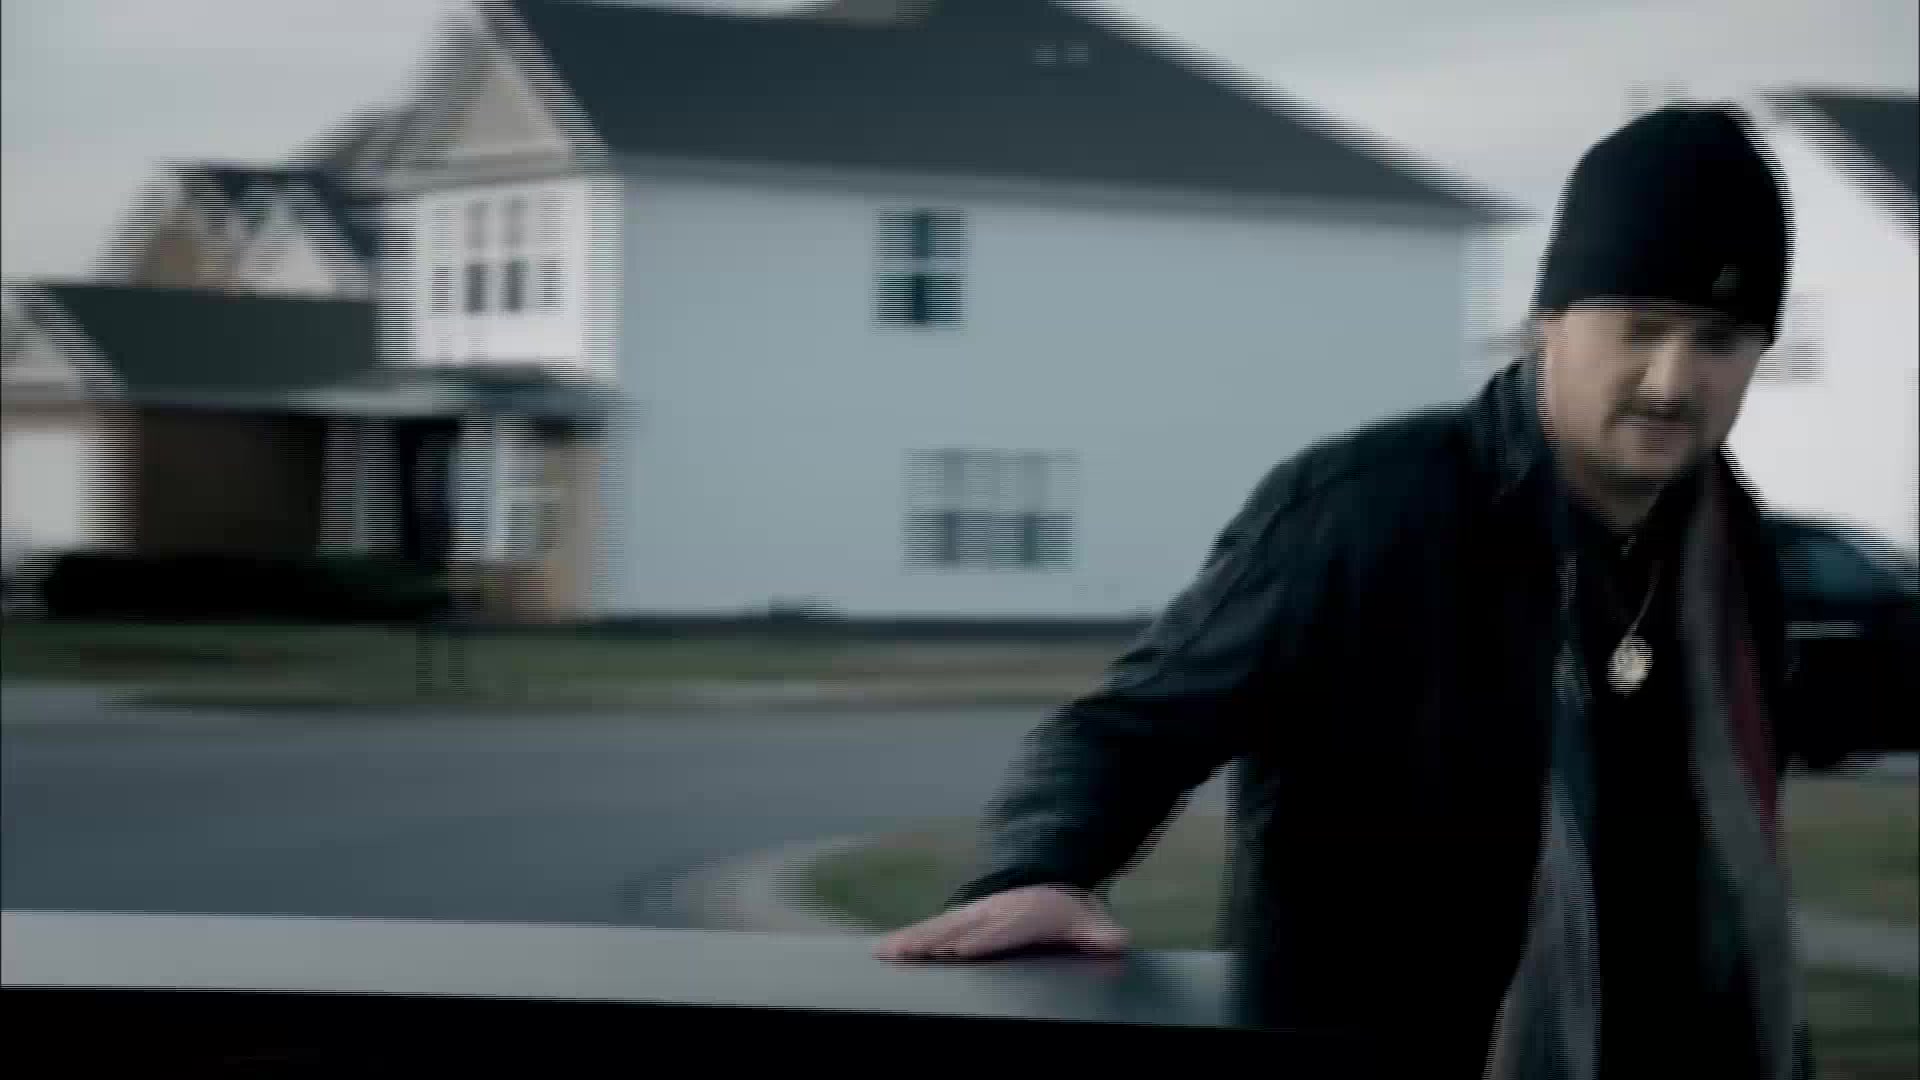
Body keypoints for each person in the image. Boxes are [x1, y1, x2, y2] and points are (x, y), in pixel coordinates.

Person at [873, 105, 1866, 1078]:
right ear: (1549, 322)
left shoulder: (1732, 548)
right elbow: (1132, 726)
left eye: (1719, 341)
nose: (1671, 381)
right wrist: (1040, 870)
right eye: (1640, 329)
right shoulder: (1366, 507)